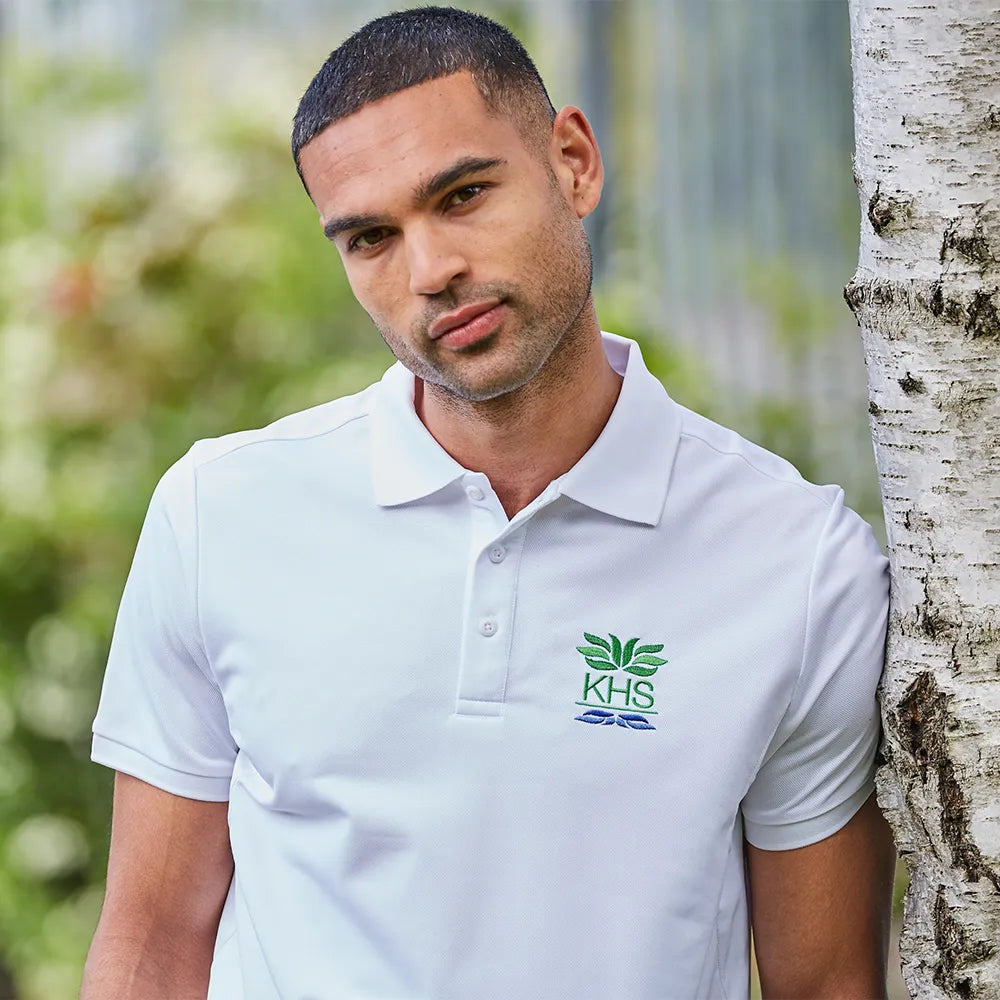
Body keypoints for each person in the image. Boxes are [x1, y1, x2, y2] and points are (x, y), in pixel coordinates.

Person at [82, 7, 896, 999]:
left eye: (462, 195)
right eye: (371, 237)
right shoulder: (222, 514)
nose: (430, 272)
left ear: (573, 163)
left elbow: (824, 983)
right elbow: (152, 944)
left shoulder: (798, 563)